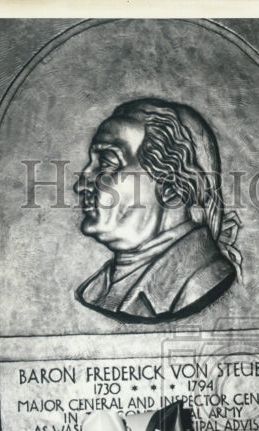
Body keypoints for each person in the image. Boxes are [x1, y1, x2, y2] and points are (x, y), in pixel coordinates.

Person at [73, 97, 240, 322]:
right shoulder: (96, 291)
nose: (81, 183)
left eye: (107, 163)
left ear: (171, 186)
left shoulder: (198, 282)